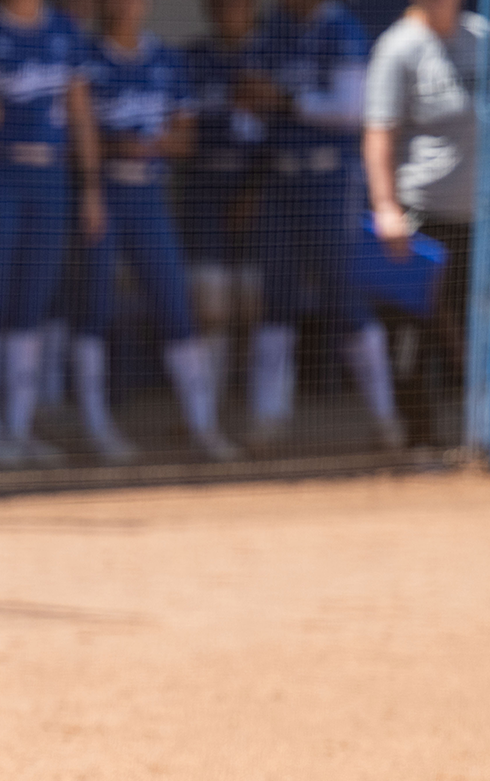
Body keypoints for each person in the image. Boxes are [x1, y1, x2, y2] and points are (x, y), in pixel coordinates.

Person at [77, 0, 236, 462]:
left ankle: (203, 425)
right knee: (94, 308)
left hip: (149, 198)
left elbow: (185, 139)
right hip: (103, 197)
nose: (124, 8)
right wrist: (115, 144)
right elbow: (76, 134)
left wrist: (156, 143)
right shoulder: (87, 56)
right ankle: (95, 426)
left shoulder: (166, 59)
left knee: (175, 304)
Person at [241, 0, 401, 451]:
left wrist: (285, 101)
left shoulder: (342, 29)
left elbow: (351, 109)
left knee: (344, 295)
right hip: (279, 177)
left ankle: (384, 419)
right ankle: (267, 419)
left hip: (330, 181)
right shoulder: (271, 30)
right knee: (276, 300)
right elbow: (249, 102)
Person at [0, 0, 105, 468]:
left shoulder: (64, 28)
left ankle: (18, 431)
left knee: (32, 303)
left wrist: (90, 187)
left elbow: (80, 113)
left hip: (51, 178)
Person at [363, 0, 486, 448]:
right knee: (413, 331)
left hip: (482, 218)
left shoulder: (481, 36)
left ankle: (484, 438)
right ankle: (420, 439)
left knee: (477, 329)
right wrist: (385, 207)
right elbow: (378, 133)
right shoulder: (398, 47)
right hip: (421, 217)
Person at [181, 0, 266, 438]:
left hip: (257, 198)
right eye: (221, 5)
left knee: (253, 309)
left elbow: (284, 129)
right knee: (210, 308)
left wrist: (254, 192)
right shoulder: (193, 58)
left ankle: (256, 414)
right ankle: (206, 417)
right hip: (204, 195)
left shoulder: (271, 50)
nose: (231, 11)